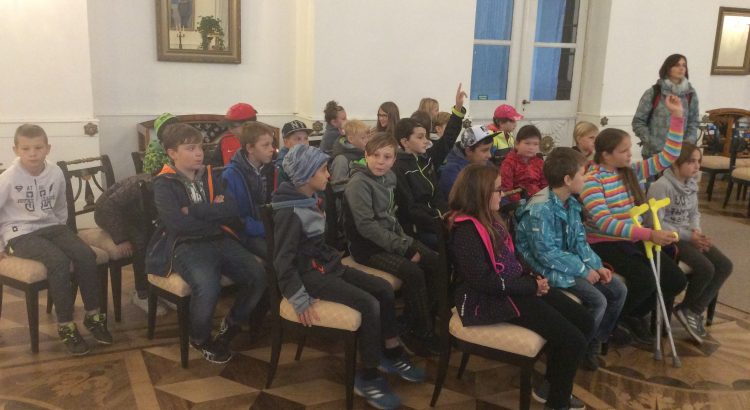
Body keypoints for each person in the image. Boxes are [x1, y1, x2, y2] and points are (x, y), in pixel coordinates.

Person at [273, 144, 424, 410]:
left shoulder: (310, 198)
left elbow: (317, 244)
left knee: (383, 288)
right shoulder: (289, 210)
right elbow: (282, 260)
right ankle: (368, 377)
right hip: (310, 276)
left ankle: (390, 350)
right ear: (306, 175)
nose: (329, 175)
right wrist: (298, 297)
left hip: (327, 266)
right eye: (323, 170)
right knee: (368, 303)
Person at [447, 164, 591, 410]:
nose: (502, 194)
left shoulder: (490, 218)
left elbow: (513, 257)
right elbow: (483, 281)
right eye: (497, 190)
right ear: (479, 193)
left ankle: (550, 385)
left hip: (512, 287)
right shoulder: (466, 231)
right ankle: (557, 403)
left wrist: (534, 276)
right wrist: (530, 286)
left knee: (583, 320)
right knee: (573, 340)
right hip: (488, 299)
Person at [146, 124, 266, 364]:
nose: (199, 153)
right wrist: (214, 212)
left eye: (200, 147)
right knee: (207, 285)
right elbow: (177, 225)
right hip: (186, 245)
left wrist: (194, 210)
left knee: (258, 275)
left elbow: (231, 209)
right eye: (190, 148)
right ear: (172, 153)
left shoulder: (210, 175)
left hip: (219, 237)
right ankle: (199, 338)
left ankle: (231, 324)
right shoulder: (164, 183)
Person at [581, 95, 687, 345]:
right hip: (604, 243)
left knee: (675, 280)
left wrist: (677, 116)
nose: (630, 154)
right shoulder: (592, 181)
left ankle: (632, 314)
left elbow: (669, 156)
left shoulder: (630, 172)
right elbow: (605, 223)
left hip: (631, 237)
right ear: (606, 155)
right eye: (624, 151)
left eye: (630, 149)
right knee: (645, 280)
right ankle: (616, 319)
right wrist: (649, 234)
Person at [0, 124, 112, 355]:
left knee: (85, 254)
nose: (33, 153)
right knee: (58, 261)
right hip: (20, 233)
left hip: (52, 226)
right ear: (16, 150)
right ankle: (66, 325)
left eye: (38, 147)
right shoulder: (8, 178)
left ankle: (93, 315)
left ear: (48, 148)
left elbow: (61, 204)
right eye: (26, 148)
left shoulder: (55, 172)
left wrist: (61, 231)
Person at [516, 148, 627, 371]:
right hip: (543, 269)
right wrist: (583, 271)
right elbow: (546, 254)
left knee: (618, 289)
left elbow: (579, 241)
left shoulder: (571, 203)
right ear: (567, 180)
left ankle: (594, 339)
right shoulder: (540, 208)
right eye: (583, 174)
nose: (586, 178)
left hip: (566, 263)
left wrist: (596, 266)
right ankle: (578, 348)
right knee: (598, 300)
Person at [344, 134, 440, 356]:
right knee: (413, 272)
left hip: (391, 239)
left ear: (394, 159)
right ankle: (422, 332)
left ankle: (411, 320)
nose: (380, 161)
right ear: (366, 156)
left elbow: (390, 217)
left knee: (436, 262)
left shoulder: (389, 177)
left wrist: (404, 241)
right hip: (367, 248)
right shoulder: (358, 184)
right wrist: (404, 248)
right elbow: (367, 227)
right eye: (375, 155)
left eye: (387, 157)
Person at [647, 142, 732, 344]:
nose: (697, 166)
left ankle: (692, 310)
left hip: (688, 235)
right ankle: (687, 309)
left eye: (698, 161)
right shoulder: (661, 186)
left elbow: (694, 213)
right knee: (705, 268)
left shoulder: (691, 183)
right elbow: (654, 222)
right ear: (676, 163)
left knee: (724, 265)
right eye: (691, 161)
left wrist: (696, 231)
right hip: (670, 238)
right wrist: (687, 236)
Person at [394, 83, 468, 249]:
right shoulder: (398, 168)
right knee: (458, 242)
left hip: (437, 218)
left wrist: (458, 110)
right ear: (405, 142)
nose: (426, 141)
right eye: (420, 137)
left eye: (426, 136)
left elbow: (447, 140)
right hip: (419, 228)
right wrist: (440, 220)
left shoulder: (426, 157)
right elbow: (411, 209)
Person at [94, 173, 168, 316]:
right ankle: (141, 294)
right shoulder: (139, 186)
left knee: (160, 238)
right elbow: (109, 206)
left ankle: (160, 288)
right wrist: (121, 239)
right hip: (108, 213)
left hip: (135, 216)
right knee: (141, 241)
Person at [221, 122, 276, 259]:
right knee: (277, 255)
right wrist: (266, 228)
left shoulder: (271, 169)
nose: (272, 149)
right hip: (246, 233)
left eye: (272, 144)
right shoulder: (231, 175)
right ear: (250, 148)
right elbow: (234, 218)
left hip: (269, 226)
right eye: (265, 145)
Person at [632, 54, 700, 159]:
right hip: (653, 154)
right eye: (677, 65)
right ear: (668, 68)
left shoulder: (690, 94)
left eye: (684, 65)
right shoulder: (654, 92)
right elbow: (638, 122)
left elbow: (693, 122)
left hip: (680, 156)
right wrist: (652, 142)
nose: (681, 68)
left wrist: (687, 145)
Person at [438, 125, 494, 201]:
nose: (490, 155)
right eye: (484, 150)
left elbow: (499, 190)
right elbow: (460, 202)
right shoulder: (451, 172)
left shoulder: (486, 164)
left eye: (490, 149)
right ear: (468, 151)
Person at [500, 124, 547, 204]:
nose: (531, 147)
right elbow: (507, 189)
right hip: (518, 203)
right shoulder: (509, 163)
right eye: (527, 143)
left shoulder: (540, 163)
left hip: (539, 201)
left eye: (535, 144)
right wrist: (522, 203)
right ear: (517, 144)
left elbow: (545, 186)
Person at [329, 119, 371, 193]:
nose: (367, 141)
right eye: (363, 138)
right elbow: (338, 187)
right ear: (351, 139)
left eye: (368, 137)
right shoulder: (341, 159)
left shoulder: (366, 152)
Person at [274, 120, 312, 185]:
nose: (303, 143)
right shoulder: (282, 166)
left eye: (306, 138)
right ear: (286, 142)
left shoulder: (304, 155)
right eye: (298, 139)